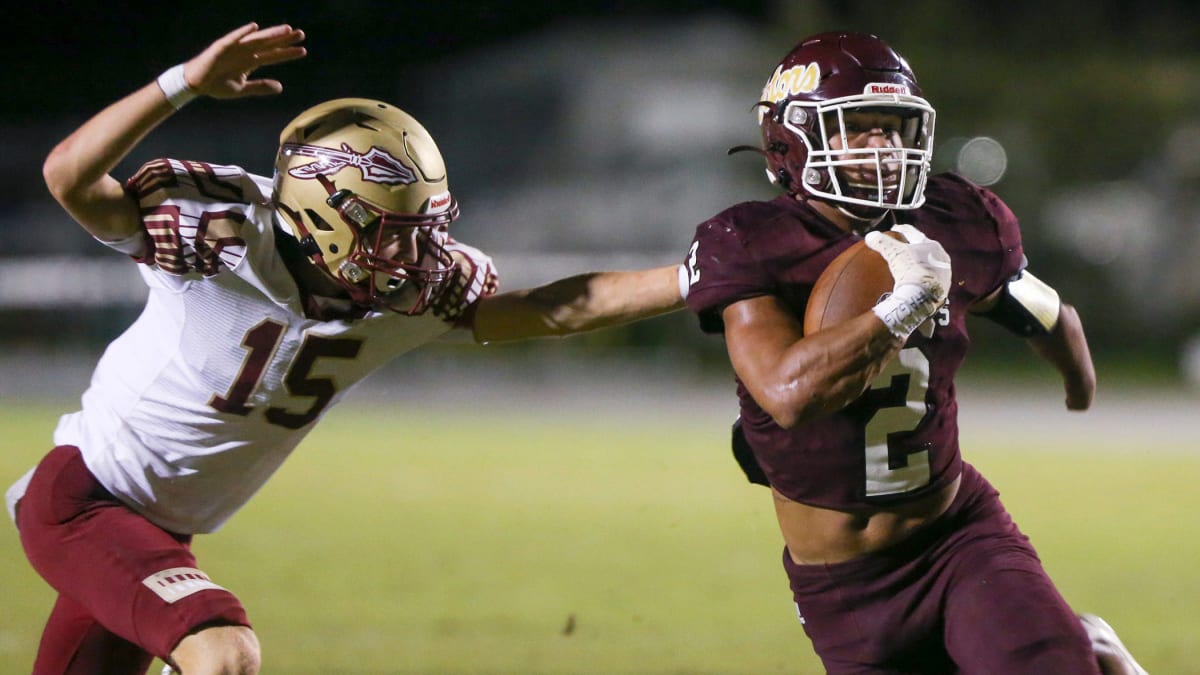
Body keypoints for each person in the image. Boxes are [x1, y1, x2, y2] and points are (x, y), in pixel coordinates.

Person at [6, 23, 685, 675]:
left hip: (159, 529)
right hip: (86, 500)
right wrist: (183, 83)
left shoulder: (404, 297)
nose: (419, 253)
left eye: (426, 228)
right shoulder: (220, 238)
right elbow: (69, 176)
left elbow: (555, 308)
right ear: (327, 215)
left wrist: (693, 278)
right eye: (395, 231)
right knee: (223, 651)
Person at [680, 31, 1148, 674]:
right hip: (843, 588)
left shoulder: (950, 217)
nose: (883, 146)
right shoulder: (751, 241)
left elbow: (1042, 311)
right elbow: (790, 395)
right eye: (858, 127)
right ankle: (1095, 647)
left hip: (958, 537)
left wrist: (1078, 383)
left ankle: (1083, 650)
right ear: (792, 137)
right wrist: (905, 304)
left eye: (893, 127)